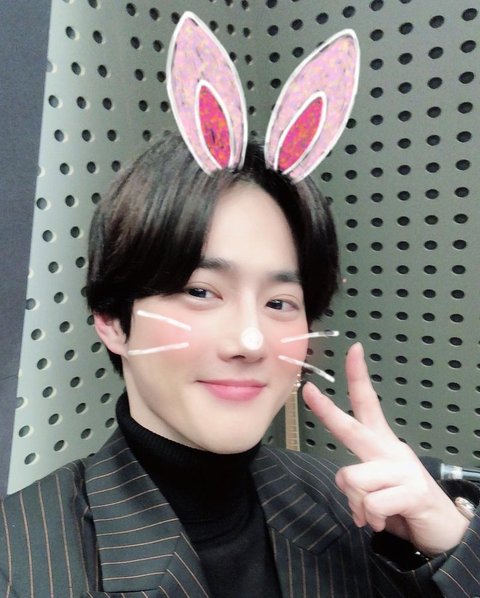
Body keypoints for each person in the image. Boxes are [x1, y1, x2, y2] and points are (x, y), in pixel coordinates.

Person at [0, 131, 479, 597]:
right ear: (111, 321)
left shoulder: (346, 508)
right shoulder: (19, 563)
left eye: (279, 303)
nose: (251, 342)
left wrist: (452, 547)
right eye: (200, 292)